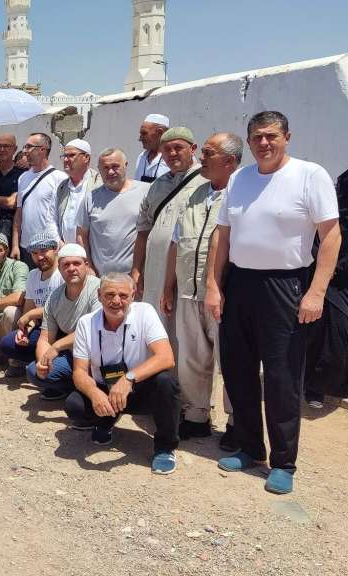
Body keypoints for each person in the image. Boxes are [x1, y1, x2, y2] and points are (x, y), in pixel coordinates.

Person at [206, 111, 341, 495]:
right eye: (256, 138)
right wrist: (215, 286)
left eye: (271, 136)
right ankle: (250, 446)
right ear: (248, 142)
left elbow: (330, 236)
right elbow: (223, 236)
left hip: (286, 285)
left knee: (281, 376)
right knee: (238, 369)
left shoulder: (309, 175)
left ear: (286, 137)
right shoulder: (239, 179)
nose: (263, 144)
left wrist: (316, 292)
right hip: (241, 282)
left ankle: (283, 461)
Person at [160, 133, 241, 446]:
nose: (202, 158)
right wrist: (169, 286)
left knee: (231, 361)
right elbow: (176, 244)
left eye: (208, 153)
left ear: (229, 161)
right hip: (188, 291)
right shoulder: (195, 195)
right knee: (192, 359)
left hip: (224, 296)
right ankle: (196, 417)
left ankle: (238, 423)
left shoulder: (240, 196)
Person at [65, 273, 182, 474]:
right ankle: (107, 419)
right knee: (75, 405)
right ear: (99, 295)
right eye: (109, 294)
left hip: (138, 387)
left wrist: (128, 379)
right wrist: (95, 395)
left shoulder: (145, 312)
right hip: (106, 391)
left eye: (123, 295)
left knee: (167, 383)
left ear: (133, 295)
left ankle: (165, 447)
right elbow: (79, 372)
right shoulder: (86, 323)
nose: (116, 301)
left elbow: (166, 358)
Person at [132, 127, 208, 353]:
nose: (173, 154)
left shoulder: (205, 182)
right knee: (156, 323)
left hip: (187, 271)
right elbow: (143, 229)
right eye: (167, 150)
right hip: (155, 269)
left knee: (186, 331)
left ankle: (184, 385)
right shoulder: (158, 185)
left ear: (192, 148)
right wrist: (137, 269)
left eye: (179, 148)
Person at [305, 159, 348, 404]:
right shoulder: (340, 215)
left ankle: (345, 383)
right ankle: (314, 386)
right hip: (340, 267)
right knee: (328, 328)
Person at [29, 244, 102, 400]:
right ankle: (73, 387)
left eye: (77, 263)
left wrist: (57, 346)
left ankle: (87, 388)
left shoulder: (98, 289)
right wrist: (44, 362)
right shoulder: (54, 297)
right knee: (34, 372)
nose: (71, 268)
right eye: (66, 265)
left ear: (86, 266)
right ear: (60, 269)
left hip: (99, 356)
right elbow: (45, 338)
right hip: (74, 354)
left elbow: (93, 329)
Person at [0, 233, 65, 377]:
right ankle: (32, 360)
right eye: (35, 253)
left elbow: (61, 308)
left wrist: (31, 314)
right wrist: (25, 331)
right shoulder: (33, 275)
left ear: (55, 249)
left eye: (44, 251)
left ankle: (53, 364)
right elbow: (28, 309)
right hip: (42, 326)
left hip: (62, 327)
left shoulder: (63, 273)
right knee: (7, 344)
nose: (40, 257)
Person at [76, 149, 150, 275]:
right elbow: (81, 235)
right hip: (102, 279)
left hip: (136, 278)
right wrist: (88, 267)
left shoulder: (146, 191)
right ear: (99, 170)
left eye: (115, 166)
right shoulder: (91, 198)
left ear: (126, 165)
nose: (110, 172)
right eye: (105, 168)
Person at [12, 133, 67, 268]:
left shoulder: (60, 178)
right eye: (25, 147)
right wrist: (15, 245)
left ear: (42, 149)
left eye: (29, 147)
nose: (25, 151)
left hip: (49, 248)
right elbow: (19, 213)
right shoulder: (23, 178)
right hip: (27, 248)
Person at [55, 139, 102, 244]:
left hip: (90, 251)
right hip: (65, 250)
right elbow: (52, 218)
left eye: (71, 155)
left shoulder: (99, 185)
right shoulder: (62, 187)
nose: (66, 160)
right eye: (64, 156)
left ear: (86, 158)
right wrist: (59, 241)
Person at [135, 113, 171, 182]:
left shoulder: (174, 158)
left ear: (160, 132)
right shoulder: (142, 157)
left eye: (144, 133)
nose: (140, 139)